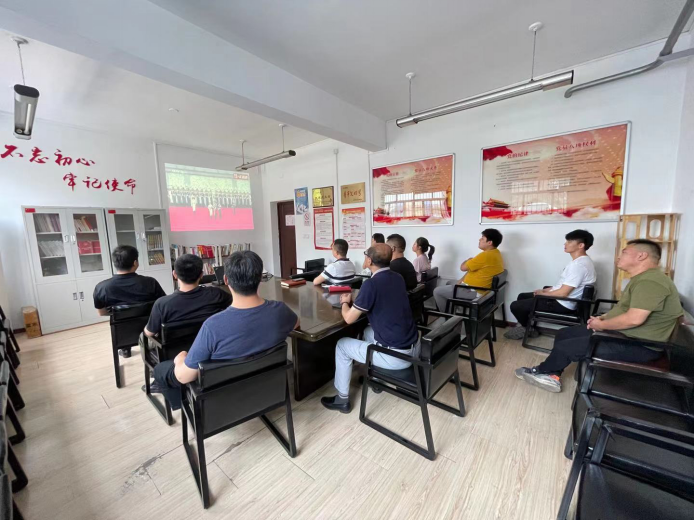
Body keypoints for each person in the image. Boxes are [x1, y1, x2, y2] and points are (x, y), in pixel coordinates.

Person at [516, 239, 684, 393]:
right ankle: (554, 372)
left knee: (567, 347)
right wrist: (602, 318)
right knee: (564, 333)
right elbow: (624, 309)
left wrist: (601, 325)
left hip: (641, 345)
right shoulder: (642, 279)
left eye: (624, 252)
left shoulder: (650, 282)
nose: (619, 257)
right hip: (627, 335)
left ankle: (546, 372)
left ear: (641, 256)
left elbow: (634, 319)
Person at [151, 251, 299, 410]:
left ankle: (181, 407)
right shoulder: (280, 310)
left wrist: (179, 359)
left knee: (160, 369)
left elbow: (183, 376)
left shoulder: (213, 326)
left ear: (226, 279)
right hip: (265, 390)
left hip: (224, 404)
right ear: (260, 278)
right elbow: (296, 324)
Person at [321, 243, 420, 413]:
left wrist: (345, 302)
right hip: (413, 348)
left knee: (342, 345)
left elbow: (349, 318)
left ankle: (342, 399)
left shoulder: (371, 284)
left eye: (366, 254)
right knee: (367, 331)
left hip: (396, 357)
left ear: (369, 260)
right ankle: (376, 380)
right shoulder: (397, 277)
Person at [504, 230, 597, 340]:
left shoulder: (578, 266)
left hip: (563, 303)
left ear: (581, 245)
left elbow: (563, 293)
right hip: (564, 299)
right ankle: (526, 326)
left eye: (569, 242)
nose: (565, 244)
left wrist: (542, 294)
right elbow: (565, 285)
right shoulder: (582, 261)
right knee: (522, 296)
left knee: (515, 306)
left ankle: (527, 329)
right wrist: (547, 290)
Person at [93, 245, 166, 357]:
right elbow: (162, 305)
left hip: (123, 334)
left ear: (114, 263)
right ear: (135, 262)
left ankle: (125, 349)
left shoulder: (102, 287)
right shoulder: (151, 283)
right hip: (149, 328)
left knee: (124, 321)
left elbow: (101, 313)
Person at [143, 254, 232, 338]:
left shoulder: (162, 304)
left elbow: (149, 333)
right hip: (212, 346)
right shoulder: (217, 294)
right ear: (201, 275)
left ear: (174, 274)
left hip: (177, 349)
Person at [432, 229, 504, 312]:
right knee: (449, 282)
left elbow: (462, 268)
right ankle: (456, 312)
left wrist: (467, 260)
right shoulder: (496, 253)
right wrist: (461, 280)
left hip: (474, 292)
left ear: (489, 242)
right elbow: (471, 270)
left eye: (482, 238)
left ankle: (449, 317)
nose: (479, 240)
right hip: (479, 289)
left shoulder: (485, 256)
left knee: (437, 291)